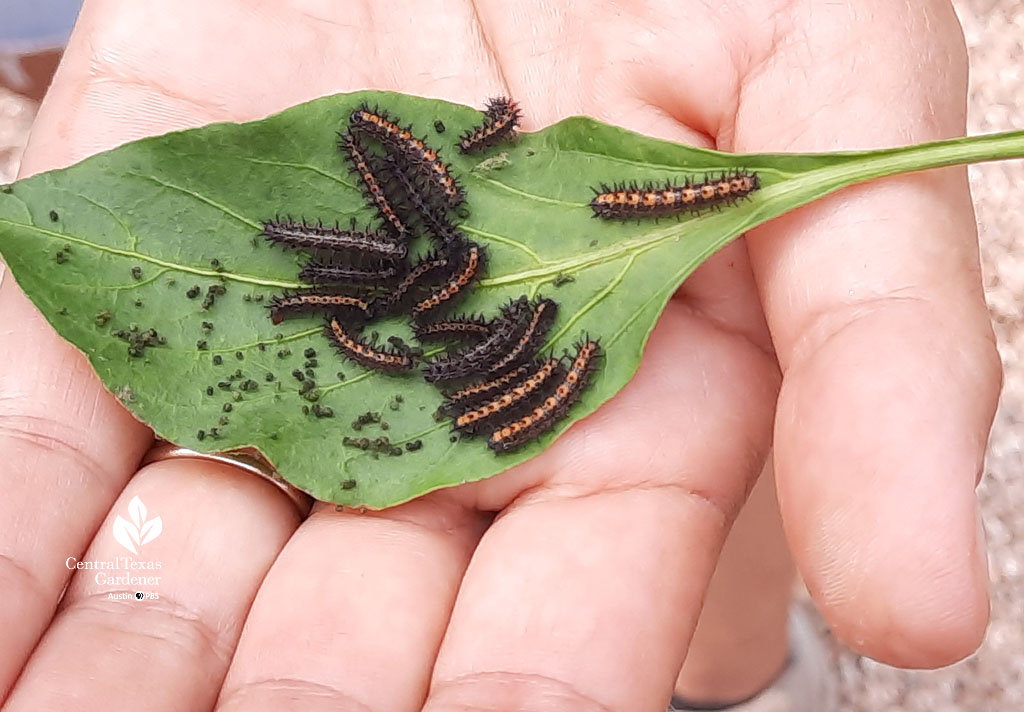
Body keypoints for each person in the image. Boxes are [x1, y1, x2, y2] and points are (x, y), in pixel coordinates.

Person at [0, 1, 997, 711]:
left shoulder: (465, 275)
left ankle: (734, 659)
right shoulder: (432, 265)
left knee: (731, 358)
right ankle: (741, 673)